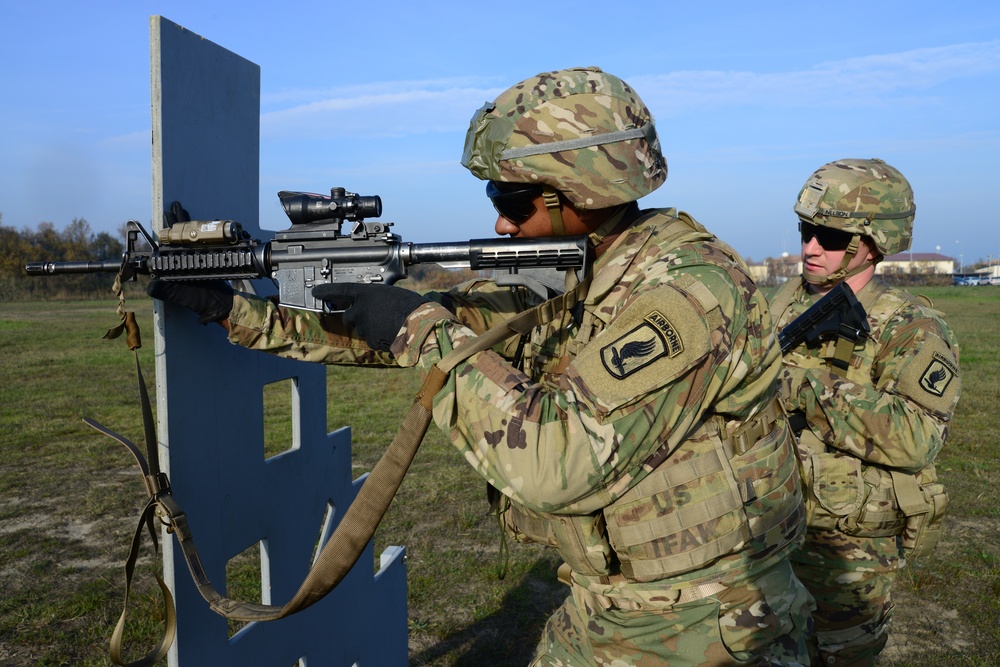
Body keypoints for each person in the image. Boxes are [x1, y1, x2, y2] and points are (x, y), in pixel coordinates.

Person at [150, 67, 812, 666]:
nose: (499, 224)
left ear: (576, 193)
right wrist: (231, 307)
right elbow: (427, 319)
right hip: (616, 606)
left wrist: (417, 328)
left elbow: (557, 459)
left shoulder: (689, 292)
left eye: (514, 202)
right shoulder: (587, 268)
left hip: (707, 623)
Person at [770, 158, 961, 666]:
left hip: (847, 546)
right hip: (770, 523)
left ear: (871, 243)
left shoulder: (911, 325)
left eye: (829, 237)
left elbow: (917, 436)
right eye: (807, 230)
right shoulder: (785, 301)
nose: (810, 246)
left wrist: (802, 384)